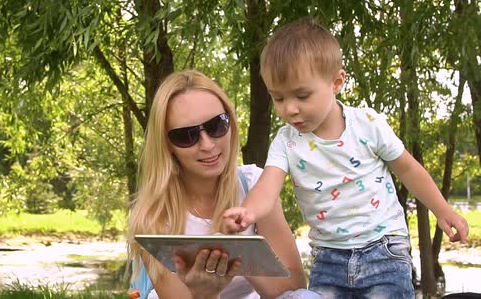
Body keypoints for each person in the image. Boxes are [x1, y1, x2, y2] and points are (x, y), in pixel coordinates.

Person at [223, 18, 469, 298]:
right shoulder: (287, 141)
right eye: (278, 99)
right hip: (328, 260)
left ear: (336, 82)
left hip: (384, 250)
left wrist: (443, 210)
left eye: (302, 95)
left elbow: (409, 169)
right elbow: (268, 186)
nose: (290, 109)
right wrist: (249, 212)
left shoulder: (367, 124)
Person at [126, 69, 315, 299]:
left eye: (217, 125)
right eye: (186, 135)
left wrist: (240, 253)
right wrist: (205, 293)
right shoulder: (153, 216)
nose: (207, 145)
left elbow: (295, 287)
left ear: (231, 122)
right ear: (168, 146)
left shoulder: (255, 186)